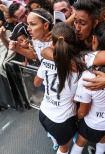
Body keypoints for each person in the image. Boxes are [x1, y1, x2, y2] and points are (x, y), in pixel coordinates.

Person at [70, 22, 105, 154]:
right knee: (102, 139)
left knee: (80, 141)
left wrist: (77, 118)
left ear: (94, 40)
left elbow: (83, 111)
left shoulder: (89, 76)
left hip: (92, 122)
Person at [34, 22, 85, 154]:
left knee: (55, 137)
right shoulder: (79, 68)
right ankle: (60, 146)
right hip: (62, 120)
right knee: (64, 149)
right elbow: (77, 98)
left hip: (43, 113)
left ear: (52, 42)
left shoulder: (46, 60)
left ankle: (56, 144)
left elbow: (36, 83)